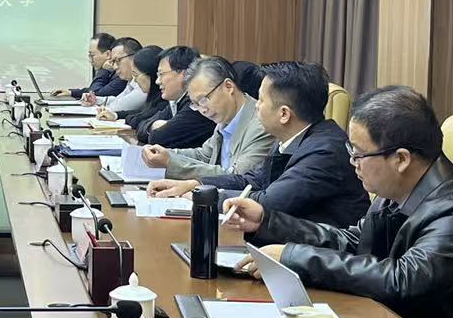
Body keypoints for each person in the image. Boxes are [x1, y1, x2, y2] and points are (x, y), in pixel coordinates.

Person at [223, 85, 453, 318]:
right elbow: (353, 242)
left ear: (401, 159)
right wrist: (268, 221)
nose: (353, 163)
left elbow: (401, 280)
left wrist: (293, 256)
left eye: (358, 154)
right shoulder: (398, 191)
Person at [155, 61, 368, 227]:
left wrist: (203, 197)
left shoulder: (325, 151)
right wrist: (198, 184)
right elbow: (251, 180)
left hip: (321, 257)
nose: (256, 106)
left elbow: (267, 202)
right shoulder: (291, 139)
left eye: (261, 100)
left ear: (284, 114)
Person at [140, 56, 273, 180]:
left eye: (204, 100)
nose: (202, 110)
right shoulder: (225, 118)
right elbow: (204, 155)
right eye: (195, 104)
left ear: (228, 86)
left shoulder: (262, 125)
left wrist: (170, 162)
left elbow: (236, 177)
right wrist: (166, 154)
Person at [139, 45, 214, 149]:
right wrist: (154, 125)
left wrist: (155, 128)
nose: (157, 81)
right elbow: (141, 126)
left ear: (184, 74)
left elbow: (158, 138)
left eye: (161, 74)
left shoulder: (196, 105)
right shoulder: (176, 101)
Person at [88, 37, 145, 114]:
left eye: (117, 60)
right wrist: (96, 100)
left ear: (134, 58)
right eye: (112, 62)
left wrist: (103, 108)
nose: (114, 67)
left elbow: (118, 106)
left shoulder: (144, 83)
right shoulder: (131, 81)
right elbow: (119, 99)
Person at [55, 33, 120, 97]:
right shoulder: (111, 71)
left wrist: (104, 70)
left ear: (108, 54)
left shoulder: (120, 74)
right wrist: (71, 92)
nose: (90, 60)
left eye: (92, 55)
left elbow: (94, 93)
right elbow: (96, 89)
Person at [122, 46, 168, 135]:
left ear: (151, 74)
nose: (135, 80)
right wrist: (115, 115)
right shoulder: (154, 97)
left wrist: (130, 119)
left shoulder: (165, 100)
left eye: (136, 75)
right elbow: (142, 112)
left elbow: (139, 119)